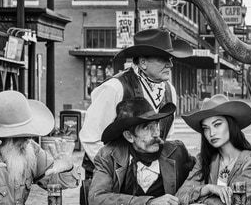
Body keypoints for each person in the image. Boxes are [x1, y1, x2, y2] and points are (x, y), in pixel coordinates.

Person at [78, 28, 191, 181]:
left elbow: (166, 138)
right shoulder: (115, 87)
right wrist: (119, 174)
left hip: (150, 179)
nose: (170, 65)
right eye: (163, 59)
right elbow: (90, 138)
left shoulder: (170, 91)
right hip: (111, 180)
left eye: (170, 59)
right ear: (143, 63)